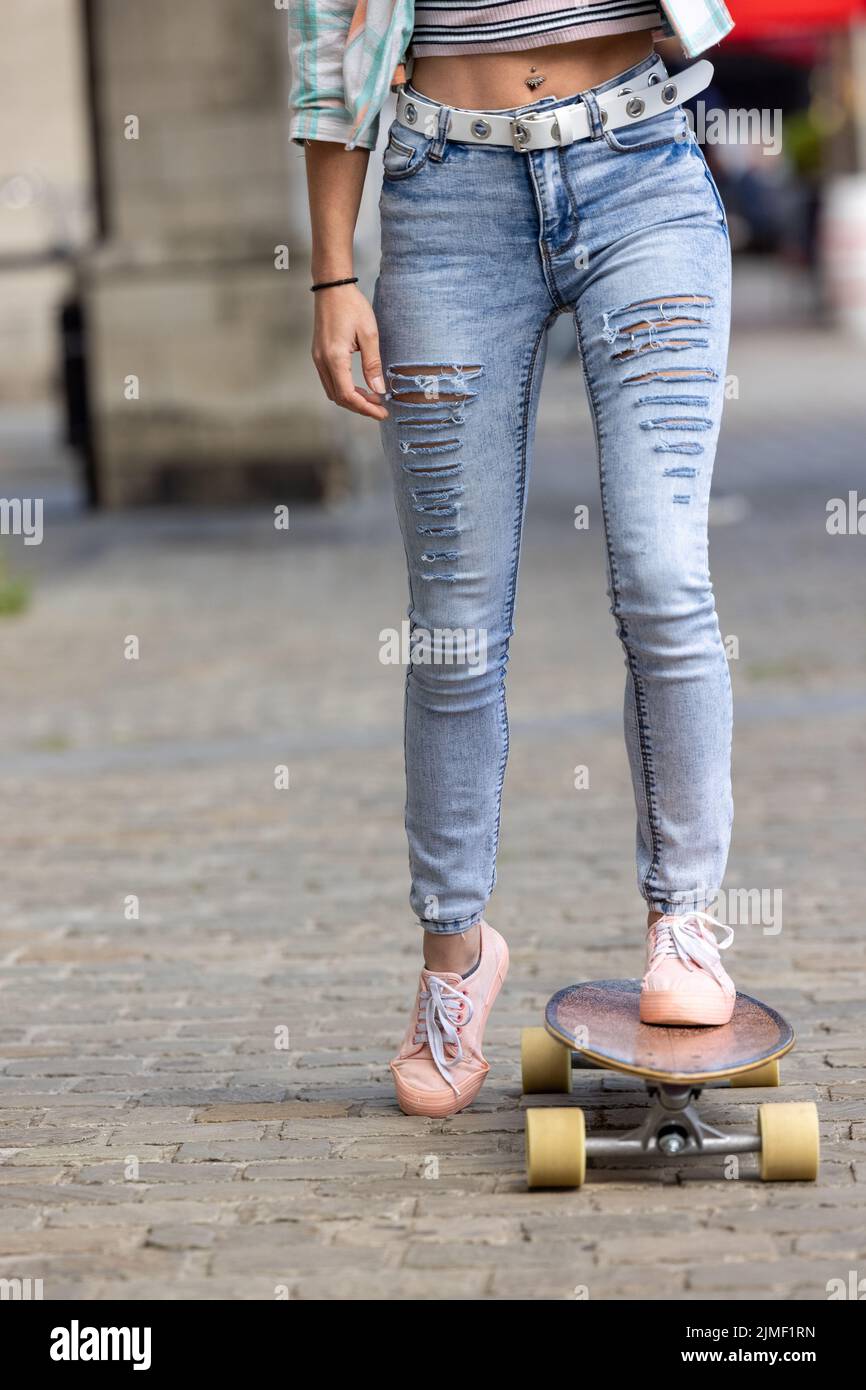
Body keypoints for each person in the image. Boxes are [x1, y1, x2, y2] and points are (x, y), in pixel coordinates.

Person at [290, 0, 738, 1118]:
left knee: (663, 574)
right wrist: (334, 274)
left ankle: (681, 926)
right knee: (451, 624)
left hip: (643, 170)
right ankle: (453, 963)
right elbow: (327, 41)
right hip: (447, 196)